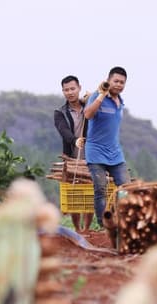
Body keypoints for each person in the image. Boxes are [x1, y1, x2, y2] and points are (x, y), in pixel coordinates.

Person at [79, 66, 130, 227]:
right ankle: (104, 224)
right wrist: (101, 95)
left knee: (127, 188)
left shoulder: (120, 102)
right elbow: (87, 114)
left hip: (115, 153)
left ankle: (123, 220)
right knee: (100, 190)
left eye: (122, 82)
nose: (119, 85)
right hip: (96, 152)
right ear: (108, 81)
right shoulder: (97, 95)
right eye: (116, 81)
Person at [54, 75, 93, 232]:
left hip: (91, 156)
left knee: (90, 193)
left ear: (79, 88)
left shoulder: (89, 107)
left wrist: (93, 98)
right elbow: (63, 130)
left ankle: (87, 228)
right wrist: (74, 140)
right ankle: (77, 229)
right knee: (75, 194)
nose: (69, 92)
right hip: (71, 158)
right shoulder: (60, 112)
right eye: (66, 89)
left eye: (72, 89)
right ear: (63, 91)